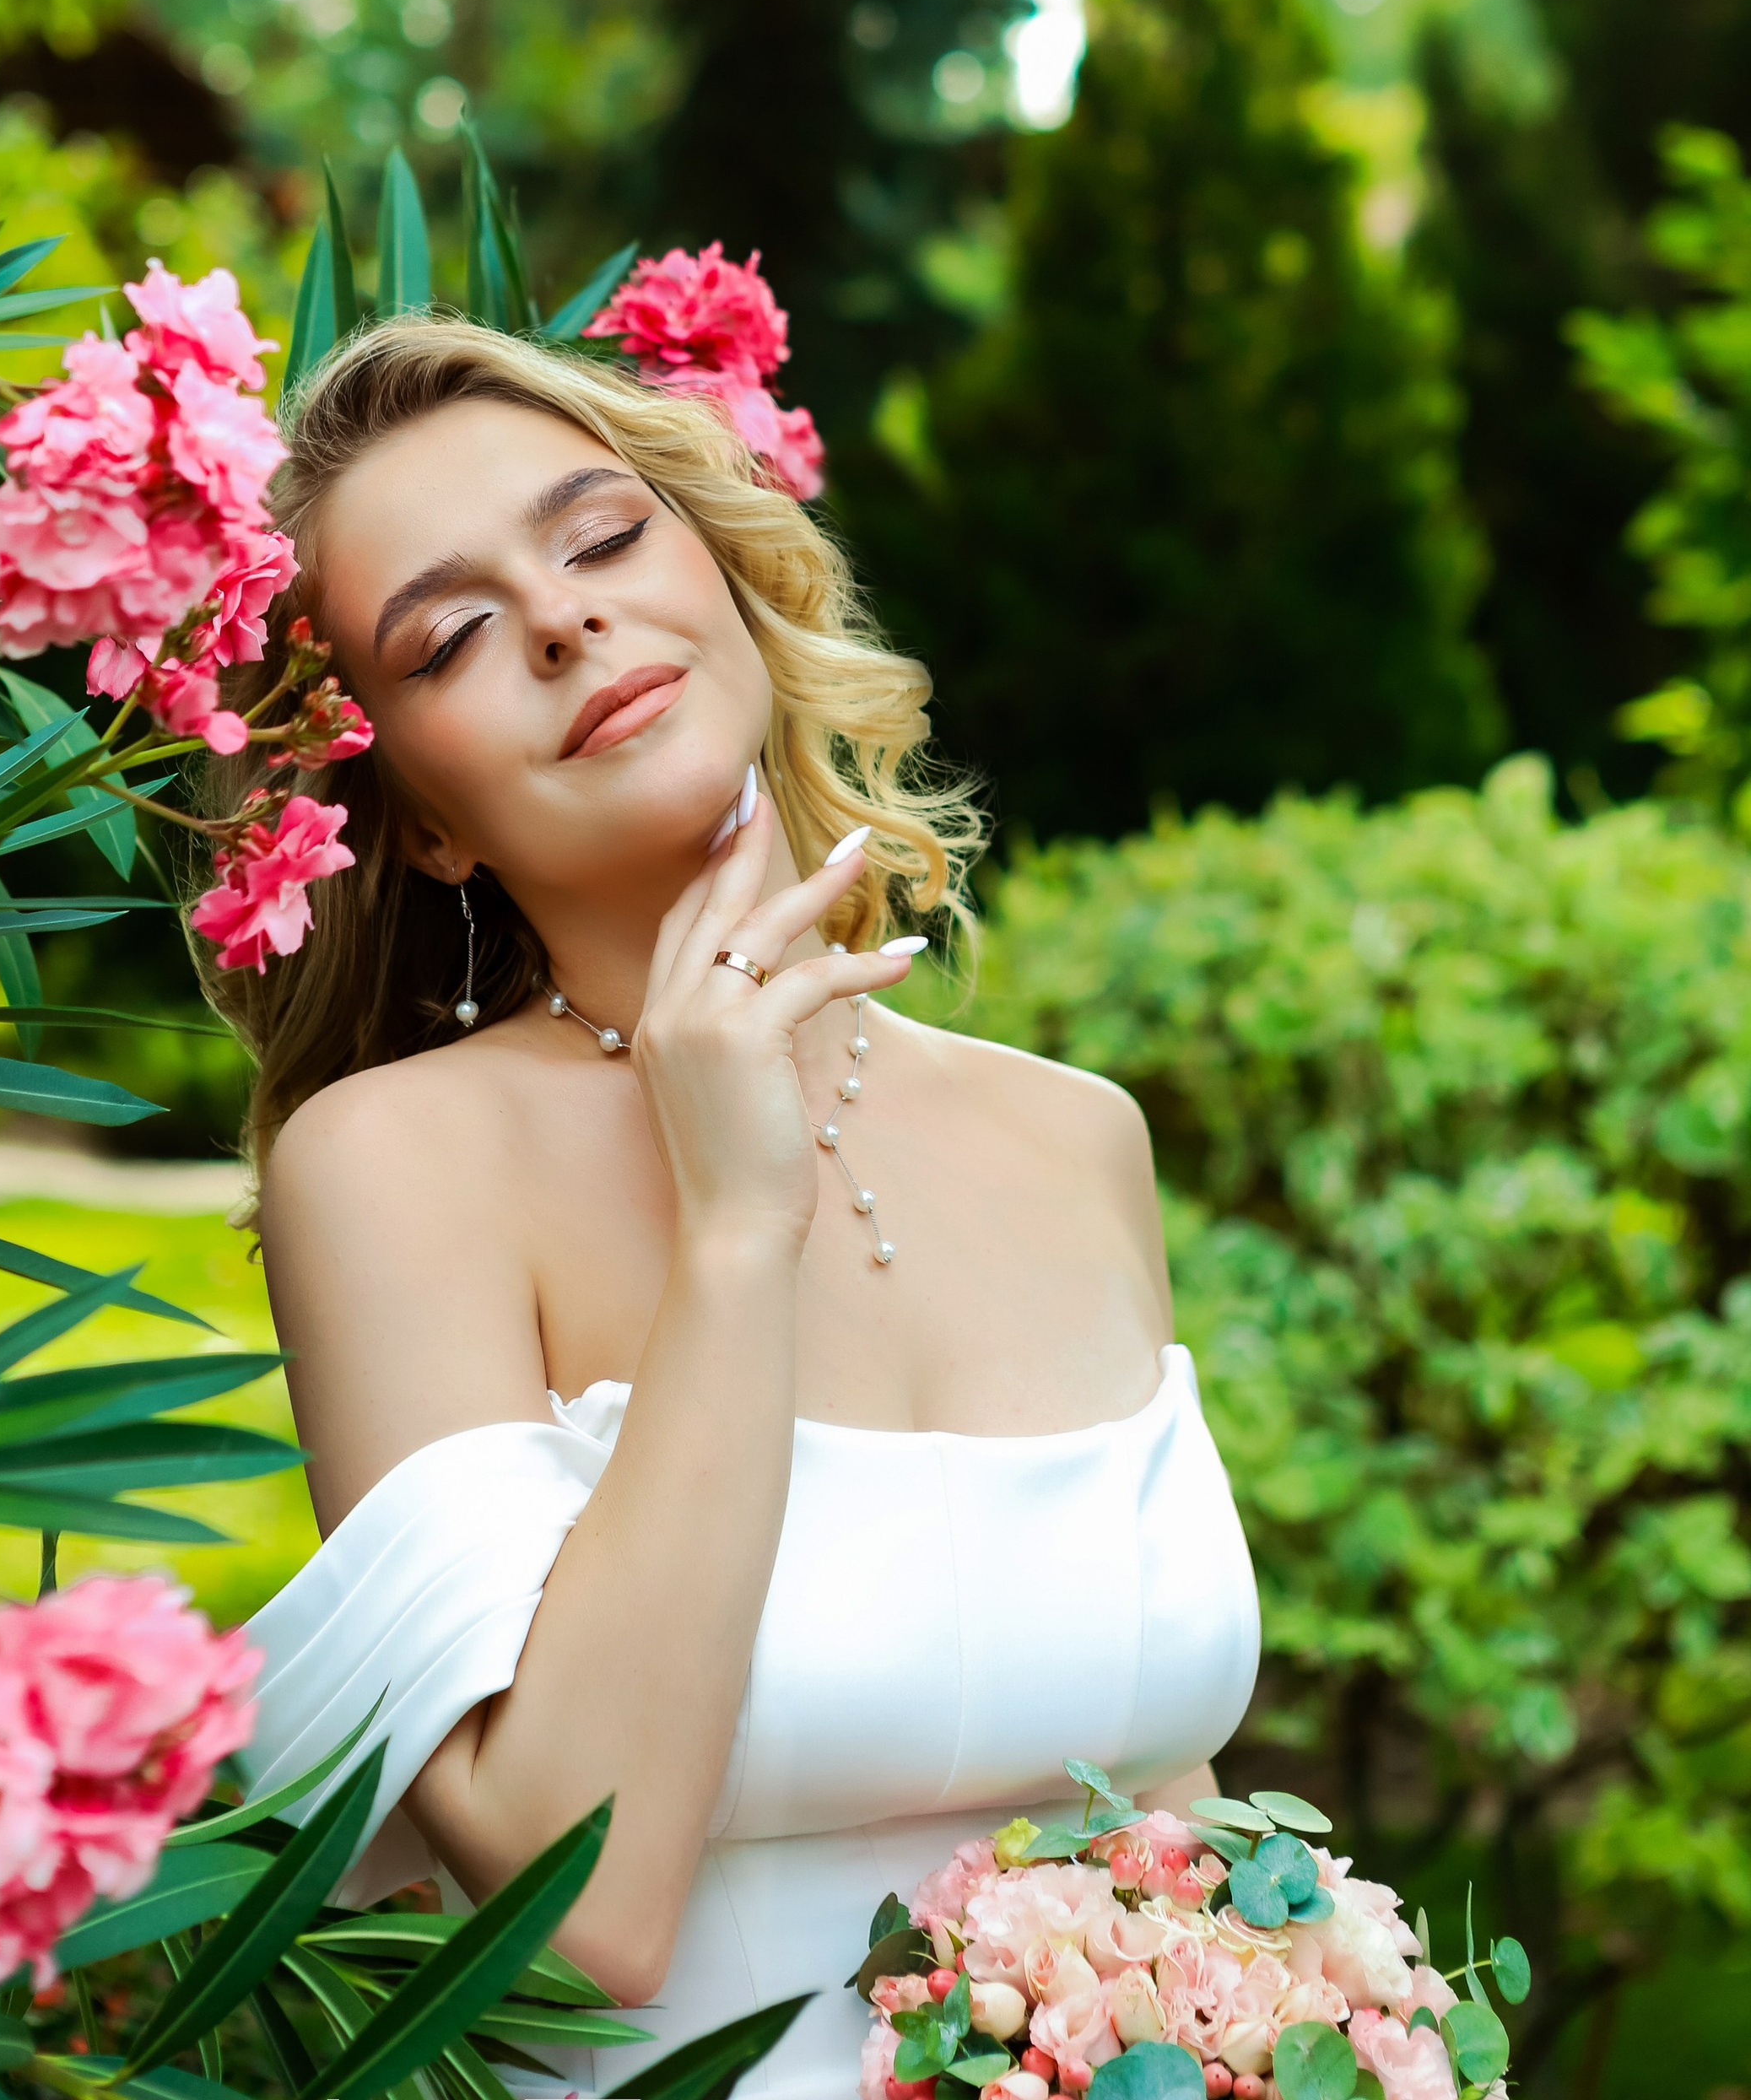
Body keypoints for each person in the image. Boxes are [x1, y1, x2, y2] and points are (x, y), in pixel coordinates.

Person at [202, 317, 1260, 2097]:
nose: (560, 620)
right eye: (452, 634)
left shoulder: (1076, 1142)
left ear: (724, 575)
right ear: (423, 822)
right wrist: (730, 1228)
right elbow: (575, 1904)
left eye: (601, 536)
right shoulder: (390, 1174)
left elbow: (1158, 1802)